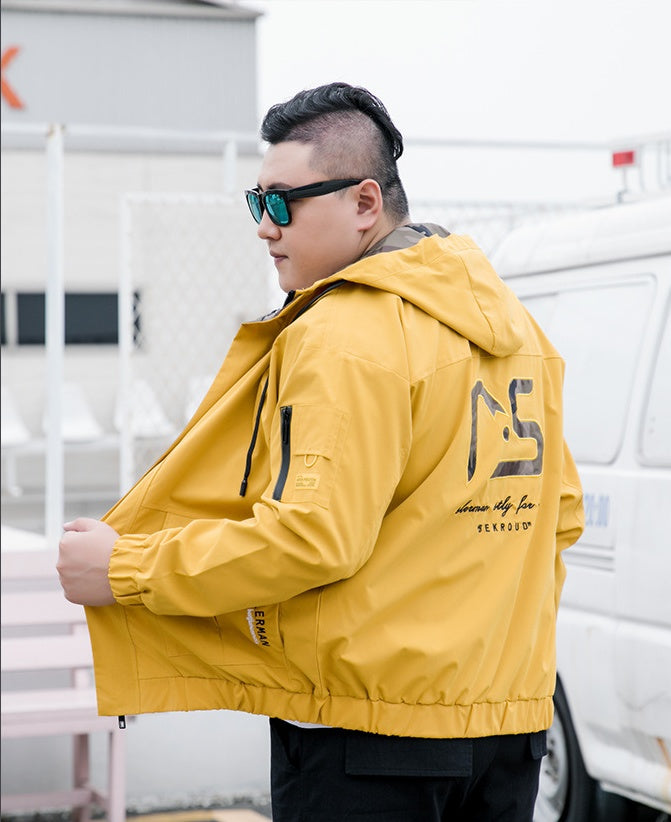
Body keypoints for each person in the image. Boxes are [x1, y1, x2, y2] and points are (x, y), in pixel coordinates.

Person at [58, 82, 584, 821]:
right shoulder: (518, 330)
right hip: (509, 729)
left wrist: (125, 568)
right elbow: (559, 514)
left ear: (365, 202)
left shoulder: (345, 331)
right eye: (256, 201)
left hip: (368, 736)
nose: (263, 227)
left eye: (281, 203)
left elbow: (311, 537)